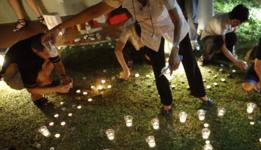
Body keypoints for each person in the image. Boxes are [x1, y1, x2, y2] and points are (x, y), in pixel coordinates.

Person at [50, 0, 213, 115]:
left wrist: (175, 49)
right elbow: (94, 11)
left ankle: (200, 93)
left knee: (189, 61)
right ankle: (167, 103)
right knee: (158, 68)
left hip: (174, 28)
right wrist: (59, 27)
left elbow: (177, 19)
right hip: (150, 33)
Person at [0, 33, 73, 107]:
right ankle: (37, 98)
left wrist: (63, 76)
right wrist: (57, 89)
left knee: (53, 59)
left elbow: (57, 61)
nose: (50, 55)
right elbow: (31, 89)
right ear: (36, 51)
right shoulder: (28, 63)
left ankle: (46, 85)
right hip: (13, 77)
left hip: (24, 63)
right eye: (47, 54)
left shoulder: (43, 40)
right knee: (44, 78)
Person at [200, 4, 249, 71]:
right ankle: (206, 57)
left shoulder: (234, 20)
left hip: (219, 38)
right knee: (219, 40)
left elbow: (232, 34)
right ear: (232, 17)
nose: (237, 25)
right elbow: (223, 46)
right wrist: (236, 61)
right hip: (207, 41)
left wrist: (233, 55)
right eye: (237, 22)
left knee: (233, 36)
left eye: (239, 23)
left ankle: (224, 58)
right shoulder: (221, 23)